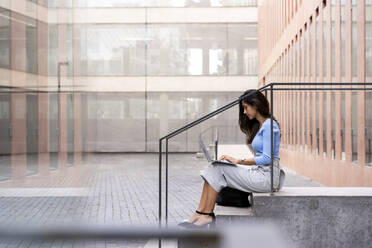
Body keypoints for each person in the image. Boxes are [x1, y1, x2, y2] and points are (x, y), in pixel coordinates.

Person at [178, 89, 283, 229]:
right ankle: (200, 212)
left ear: (256, 105)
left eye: (246, 107)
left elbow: (267, 158)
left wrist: (239, 161)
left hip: (267, 179)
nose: (244, 112)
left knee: (219, 168)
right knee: (215, 167)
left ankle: (207, 215)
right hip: (259, 173)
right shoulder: (262, 125)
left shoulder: (270, 126)